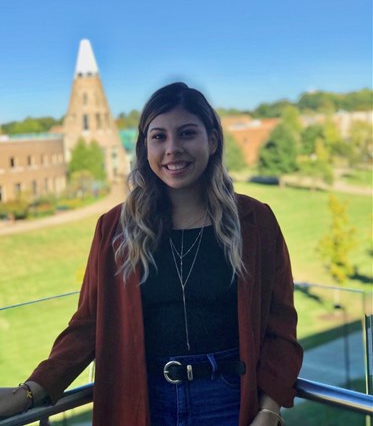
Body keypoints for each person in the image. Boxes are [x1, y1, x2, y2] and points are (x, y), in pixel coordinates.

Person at [0, 82, 303, 425]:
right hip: (143, 402)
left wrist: (268, 410)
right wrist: (29, 391)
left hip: (230, 401)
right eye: (158, 137)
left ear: (213, 140)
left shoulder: (254, 221)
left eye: (187, 133)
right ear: (144, 147)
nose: (172, 149)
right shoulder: (116, 228)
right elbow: (87, 324)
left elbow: (281, 328)